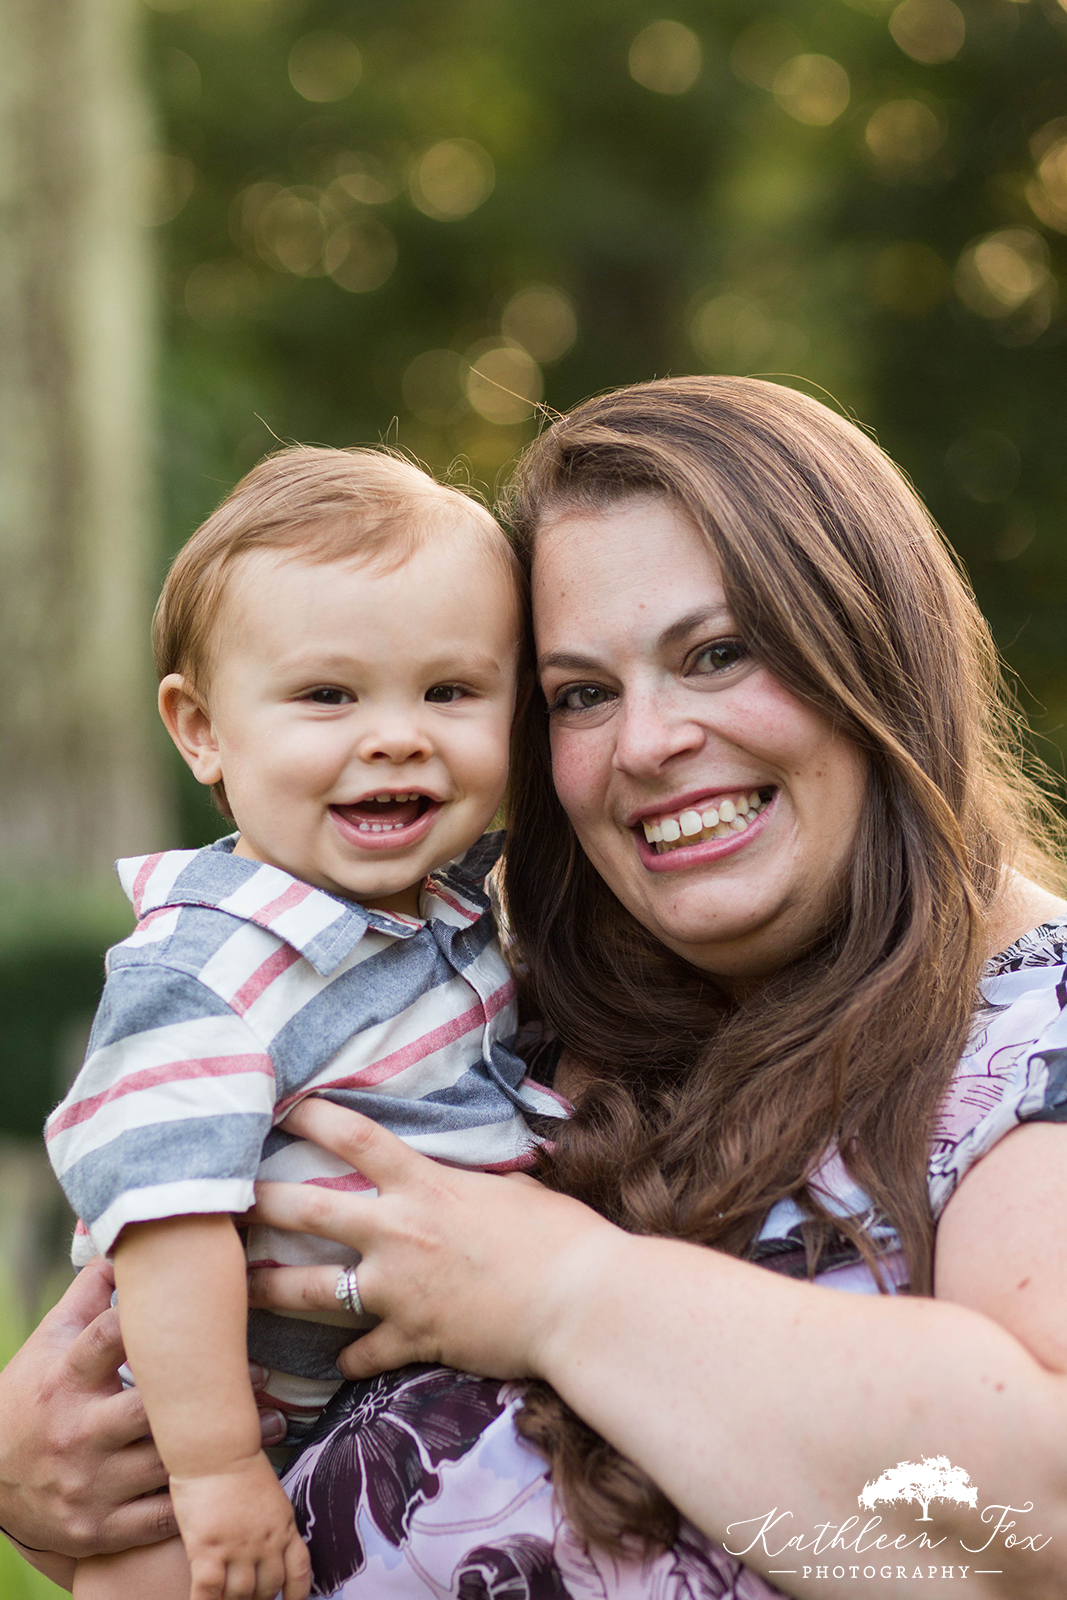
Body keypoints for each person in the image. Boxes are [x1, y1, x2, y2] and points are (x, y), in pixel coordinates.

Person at [2, 376, 1066, 1598]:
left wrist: (563, 1289)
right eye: (580, 694)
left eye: (717, 654)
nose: (647, 741)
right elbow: (145, 1341)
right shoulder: (482, 1001)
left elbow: (1029, 1518)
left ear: (877, 647)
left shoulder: (1026, 1031)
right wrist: (39, 1474)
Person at [40, 446, 564, 1600]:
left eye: (449, 691)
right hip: (206, 1433)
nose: (395, 735)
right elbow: (167, 1233)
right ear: (202, 729)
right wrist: (219, 1468)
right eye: (328, 694)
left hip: (380, 1405)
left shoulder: (450, 911)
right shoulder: (209, 968)